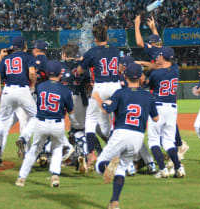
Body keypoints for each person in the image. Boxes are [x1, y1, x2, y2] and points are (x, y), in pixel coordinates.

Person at [94, 63, 159, 209]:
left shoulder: (120, 93)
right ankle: (114, 202)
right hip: (138, 138)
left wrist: (97, 97)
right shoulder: (148, 96)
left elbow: (106, 109)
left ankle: (107, 168)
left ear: (125, 76)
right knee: (122, 169)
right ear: (141, 77)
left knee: (99, 164)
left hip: (121, 133)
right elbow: (156, 118)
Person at [135, 15, 189, 162]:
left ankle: (176, 144)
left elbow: (139, 42)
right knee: (168, 118)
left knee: (158, 116)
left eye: (151, 43)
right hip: (167, 88)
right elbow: (158, 43)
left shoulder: (154, 51)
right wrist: (153, 28)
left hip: (157, 83)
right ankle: (177, 144)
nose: (149, 45)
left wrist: (136, 25)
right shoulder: (164, 52)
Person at [15, 60, 74, 188]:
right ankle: (55, 176)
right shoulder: (65, 90)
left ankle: (22, 178)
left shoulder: (40, 87)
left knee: (34, 150)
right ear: (60, 74)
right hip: (58, 124)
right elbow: (71, 110)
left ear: (47, 73)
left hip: (41, 123)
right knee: (57, 148)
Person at [77, 25, 121, 173]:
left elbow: (79, 70)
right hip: (116, 86)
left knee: (90, 119)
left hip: (100, 86)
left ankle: (90, 153)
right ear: (107, 37)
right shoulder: (115, 50)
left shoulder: (92, 51)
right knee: (117, 120)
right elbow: (120, 67)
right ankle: (117, 152)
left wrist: (84, 62)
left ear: (95, 39)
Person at [0, 36, 37, 167]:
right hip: (23, 90)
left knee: (2, 120)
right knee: (36, 117)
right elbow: (32, 73)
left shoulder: (6, 59)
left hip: (7, 90)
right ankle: (24, 138)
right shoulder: (27, 57)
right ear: (24, 46)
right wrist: (32, 85)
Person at [141, 46, 186, 178]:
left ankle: (162, 169)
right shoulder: (175, 69)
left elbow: (144, 84)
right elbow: (160, 66)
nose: (158, 57)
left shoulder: (156, 74)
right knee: (168, 142)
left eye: (160, 56)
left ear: (162, 57)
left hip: (158, 107)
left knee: (153, 140)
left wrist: (140, 71)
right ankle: (179, 168)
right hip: (172, 108)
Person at [60, 44, 90, 169]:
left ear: (64, 54)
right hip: (79, 96)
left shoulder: (60, 65)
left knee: (54, 126)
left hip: (61, 96)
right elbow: (88, 85)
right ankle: (81, 153)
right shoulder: (82, 66)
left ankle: (56, 153)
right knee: (79, 130)